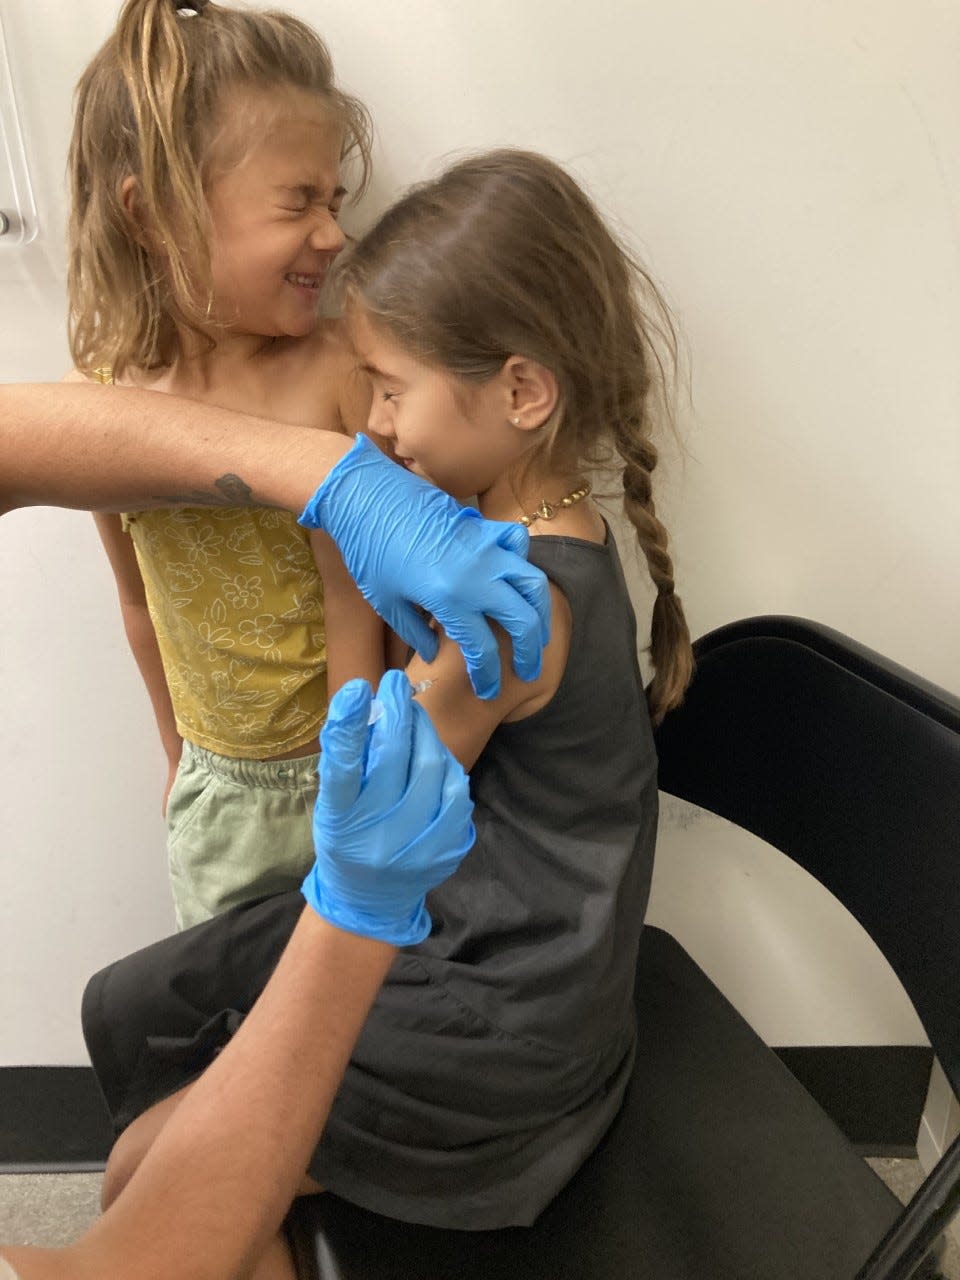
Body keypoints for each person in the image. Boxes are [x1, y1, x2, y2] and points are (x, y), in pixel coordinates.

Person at [80, 149, 695, 1236]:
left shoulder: (509, 610)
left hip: (505, 1011)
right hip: (514, 959)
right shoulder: (541, 535)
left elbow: (376, 811)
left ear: (520, 391)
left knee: (148, 1163)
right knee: (145, 1021)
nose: (370, 424)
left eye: (391, 387)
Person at [68, 0, 382, 929]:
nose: (332, 234)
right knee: (230, 1022)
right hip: (216, 797)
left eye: (336, 202)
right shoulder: (99, 402)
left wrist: (351, 786)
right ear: (153, 212)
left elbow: (359, 601)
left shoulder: (342, 372)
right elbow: (138, 602)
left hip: (339, 775)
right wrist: (177, 759)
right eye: (299, 203)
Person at [0, 671, 476, 1280]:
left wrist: (353, 917)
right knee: (133, 1145)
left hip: (485, 992)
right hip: (420, 953)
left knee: (135, 1162)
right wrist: (356, 916)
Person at [0, 383, 551, 695]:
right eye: (296, 203)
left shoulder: (331, 374)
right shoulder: (97, 381)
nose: (333, 236)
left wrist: (333, 471)